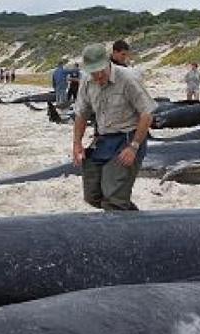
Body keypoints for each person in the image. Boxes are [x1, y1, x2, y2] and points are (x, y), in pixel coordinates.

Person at [73, 43, 156, 211]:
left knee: (114, 197)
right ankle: (132, 216)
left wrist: (134, 147)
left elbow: (147, 114)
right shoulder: (87, 81)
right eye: (93, 73)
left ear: (107, 63)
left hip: (127, 139)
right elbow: (81, 114)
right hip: (103, 140)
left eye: (101, 72)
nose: (98, 77)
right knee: (92, 194)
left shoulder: (127, 79)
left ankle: (125, 225)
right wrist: (77, 143)